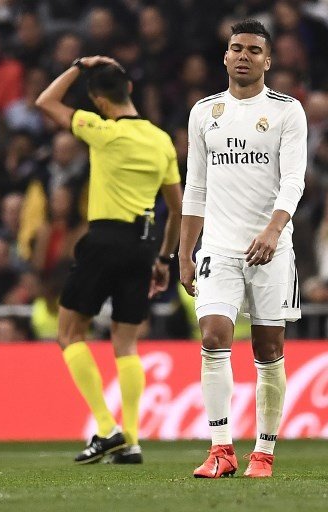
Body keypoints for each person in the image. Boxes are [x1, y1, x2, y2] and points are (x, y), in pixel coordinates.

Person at [35, 55, 183, 464]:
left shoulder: (101, 130)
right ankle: (132, 440)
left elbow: (45, 102)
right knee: (127, 344)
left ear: (99, 102)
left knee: (69, 333)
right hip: (143, 246)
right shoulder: (161, 140)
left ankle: (106, 428)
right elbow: (179, 207)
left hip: (104, 239)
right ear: (130, 90)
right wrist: (164, 259)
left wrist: (79, 66)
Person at [180, 20, 307, 479]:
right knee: (213, 338)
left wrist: (273, 231)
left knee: (268, 348)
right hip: (218, 245)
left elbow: (294, 180)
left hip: (273, 249)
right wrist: (183, 252)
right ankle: (220, 449)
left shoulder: (287, 111)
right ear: (225, 56)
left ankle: (264, 452)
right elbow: (196, 186)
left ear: (268, 61)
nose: (244, 56)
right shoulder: (205, 112)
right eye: (237, 48)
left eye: (254, 50)